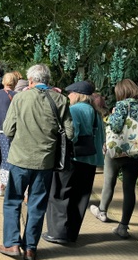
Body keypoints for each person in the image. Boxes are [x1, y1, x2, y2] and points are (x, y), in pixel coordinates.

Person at [0, 64, 73, 260]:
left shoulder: (20, 98)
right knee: (37, 205)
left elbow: (8, 130)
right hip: (45, 163)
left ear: (30, 81)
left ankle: (12, 244)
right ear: (48, 81)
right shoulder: (61, 100)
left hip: (19, 160)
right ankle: (30, 248)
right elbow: (71, 132)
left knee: (12, 201)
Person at [42, 81, 105, 244]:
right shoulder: (96, 113)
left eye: (70, 93)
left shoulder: (75, 110)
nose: (68, 96)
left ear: (78, 94)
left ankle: (57, 233)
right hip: (91, 161)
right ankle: (71, 234)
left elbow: (72, 134)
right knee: (80, 197)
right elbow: (101, 139)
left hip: (73, 159)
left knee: (60, 194)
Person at [90, 79, 138, 238]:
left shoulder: (122, 106)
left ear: (122, 92)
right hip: (136, 154)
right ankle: (123, 227)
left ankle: (102, 211)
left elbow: (116, 126)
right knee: (129, 189)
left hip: (117, 152)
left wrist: (111, 115)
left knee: (109, 182)